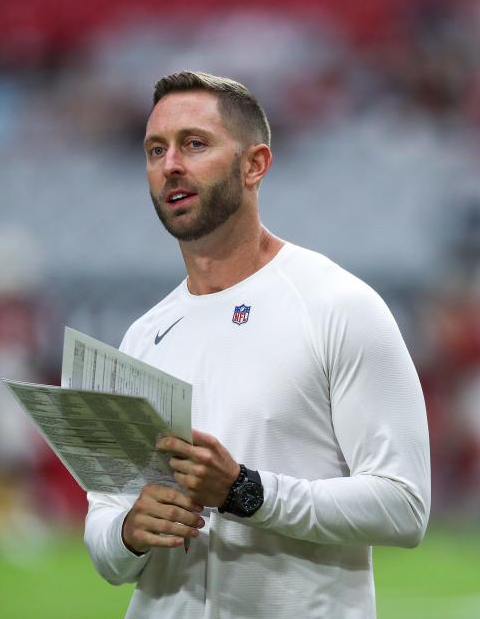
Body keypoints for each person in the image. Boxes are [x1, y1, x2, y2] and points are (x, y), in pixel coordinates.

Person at [83, 71, 431, 618]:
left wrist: (247, 491)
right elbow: (105, 534)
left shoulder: (338, 306)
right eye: (156, 149)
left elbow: (404, 506)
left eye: (194, 144)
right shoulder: (144, 335)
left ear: (255, 164)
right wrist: (129, 531)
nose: (170, 164)